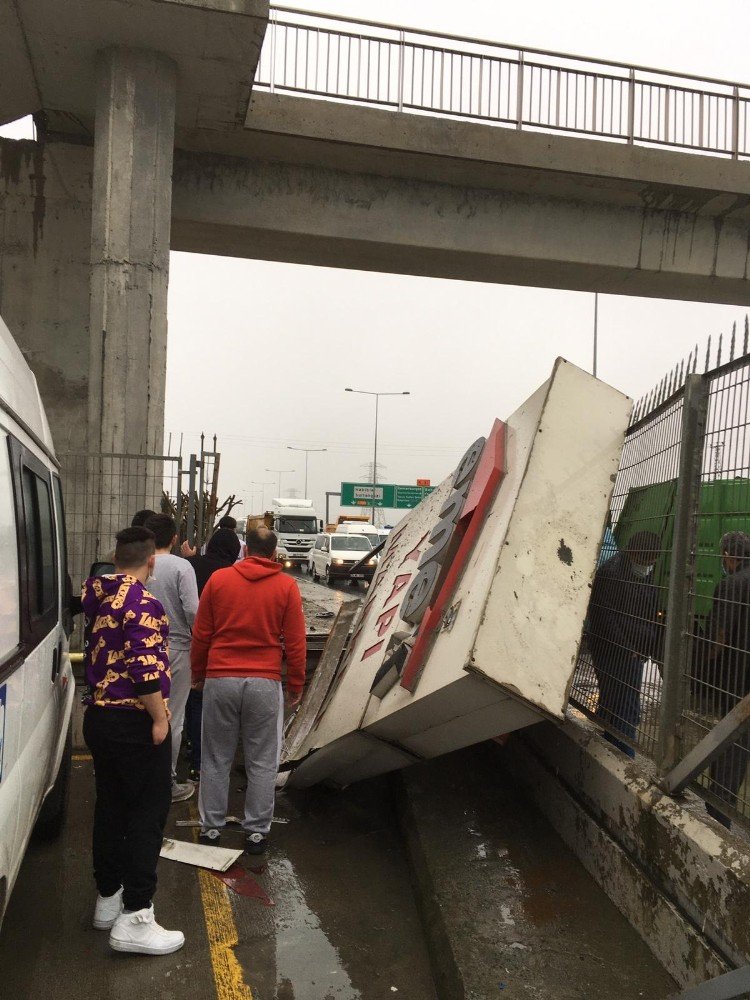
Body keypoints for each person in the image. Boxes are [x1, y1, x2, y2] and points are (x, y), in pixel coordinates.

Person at [81, 526, 184, 955]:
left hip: (100, 718)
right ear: (151, 561)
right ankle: (137, 916)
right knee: (147, 813)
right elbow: (144, 668)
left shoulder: (98, 594)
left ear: (115, 555)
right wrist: (160, 719)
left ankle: (108, 900)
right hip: (133, 722)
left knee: (111, 806)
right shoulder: (143, 601)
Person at [191, 527, 306, 854]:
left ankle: (211, 829)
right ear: (273, 553)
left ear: (246, 549)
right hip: (264, 682)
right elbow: (295, 643)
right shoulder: (286, 586)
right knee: (262, 760)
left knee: (215, 757)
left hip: (221, 677)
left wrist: (198, 673)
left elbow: (202, 634)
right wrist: (295, 683)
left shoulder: (219, 581)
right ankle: (256, 832)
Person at [587, 531, 662, 758]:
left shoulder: (640, 572)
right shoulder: (611, 574)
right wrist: (627, 649)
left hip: (635, 651)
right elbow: (604, 617)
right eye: (645, 561)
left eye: (652, 562)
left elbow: (650, 607)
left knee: (619, 703)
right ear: (632, 553)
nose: (648, 566)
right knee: (625, 708)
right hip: (614, 650)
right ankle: (625, 756)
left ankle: (610, 743)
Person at [696, 530, 750, 828]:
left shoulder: (731, 585)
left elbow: (717, 639)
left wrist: (701, 664)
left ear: (729, 556)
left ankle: (719, 813)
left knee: (729, 745)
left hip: (733, 677)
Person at [145, 513, 200, 802]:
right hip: (177, 649)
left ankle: (142, 778)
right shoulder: (182, 566)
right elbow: (193, 610)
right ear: (175, 539)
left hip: (141, 648)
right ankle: (166, 782)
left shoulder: (141, 564)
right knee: (172, 718)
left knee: (145, 714)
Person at [183, 527, 242, 781]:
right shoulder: (230, 576)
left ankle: (190, 751)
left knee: (189, 701)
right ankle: (202, 763)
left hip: (184, 641)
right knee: (208, 707)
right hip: (218, 650)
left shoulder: (190, 566)